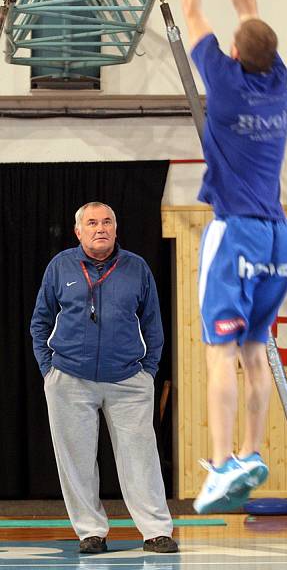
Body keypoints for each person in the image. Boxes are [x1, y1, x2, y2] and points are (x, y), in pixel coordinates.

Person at [181, 0, 287, 514]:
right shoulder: (275, 80)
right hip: (281, 241)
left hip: (238, 233)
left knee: (218, 351)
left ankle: (224, 464)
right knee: (255, 350)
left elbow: (193, 8)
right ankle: (254, 451)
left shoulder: (223, 82)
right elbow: (249, 14)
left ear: (232, 52)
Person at [30, 201, 178, 555]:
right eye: (92, 222)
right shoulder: (60, 266)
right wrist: (48, 371)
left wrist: (148, 371)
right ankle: (90, 532)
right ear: (78, 231)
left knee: (141, 457)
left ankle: (156, 531)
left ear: (116, 229)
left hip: (128, 380)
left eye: (107, 221)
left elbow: (154, 325)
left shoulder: (136, 268)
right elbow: (40, 322)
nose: (101, 228)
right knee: (76, 460)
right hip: (69, 378)